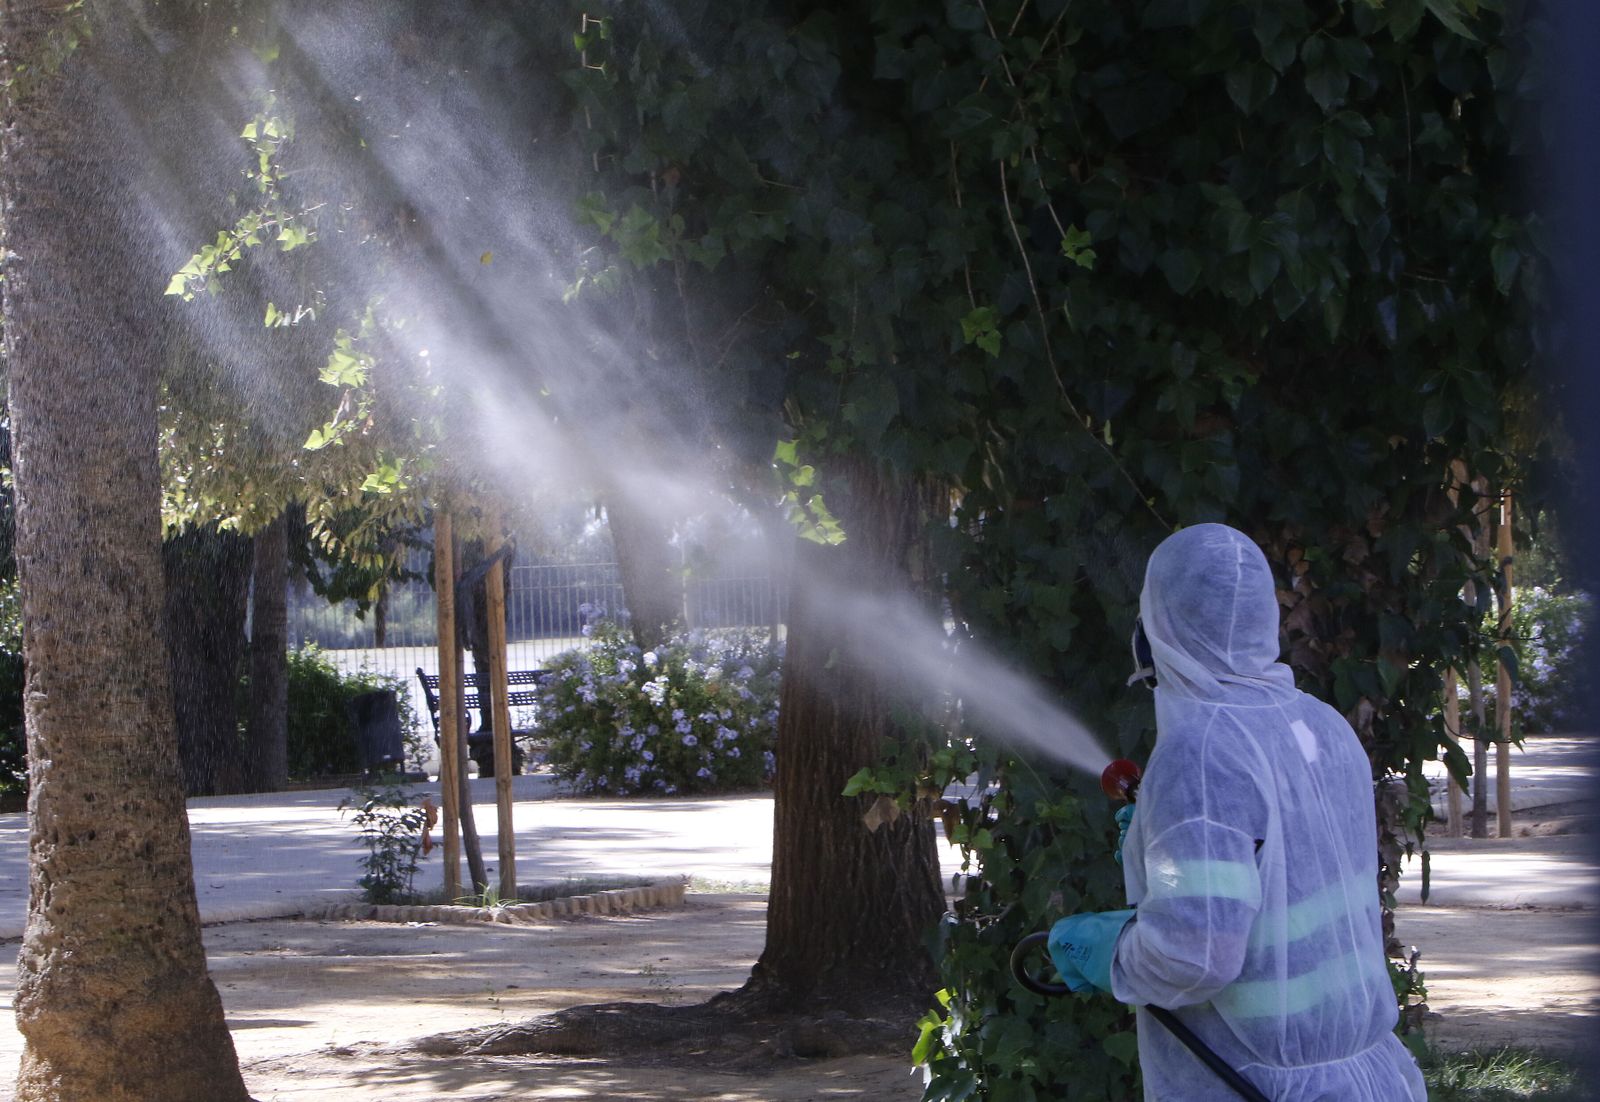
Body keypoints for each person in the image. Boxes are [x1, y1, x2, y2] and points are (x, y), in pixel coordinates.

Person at [1047, 523, 1426, 1101]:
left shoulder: (1198, 753)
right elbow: (1285, 866)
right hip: (1367, 1077)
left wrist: (1109, 950)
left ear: (1156, 628)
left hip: (1255, 1084)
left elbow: (1193, 957)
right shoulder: (1322, 724)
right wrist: (1164, 835)